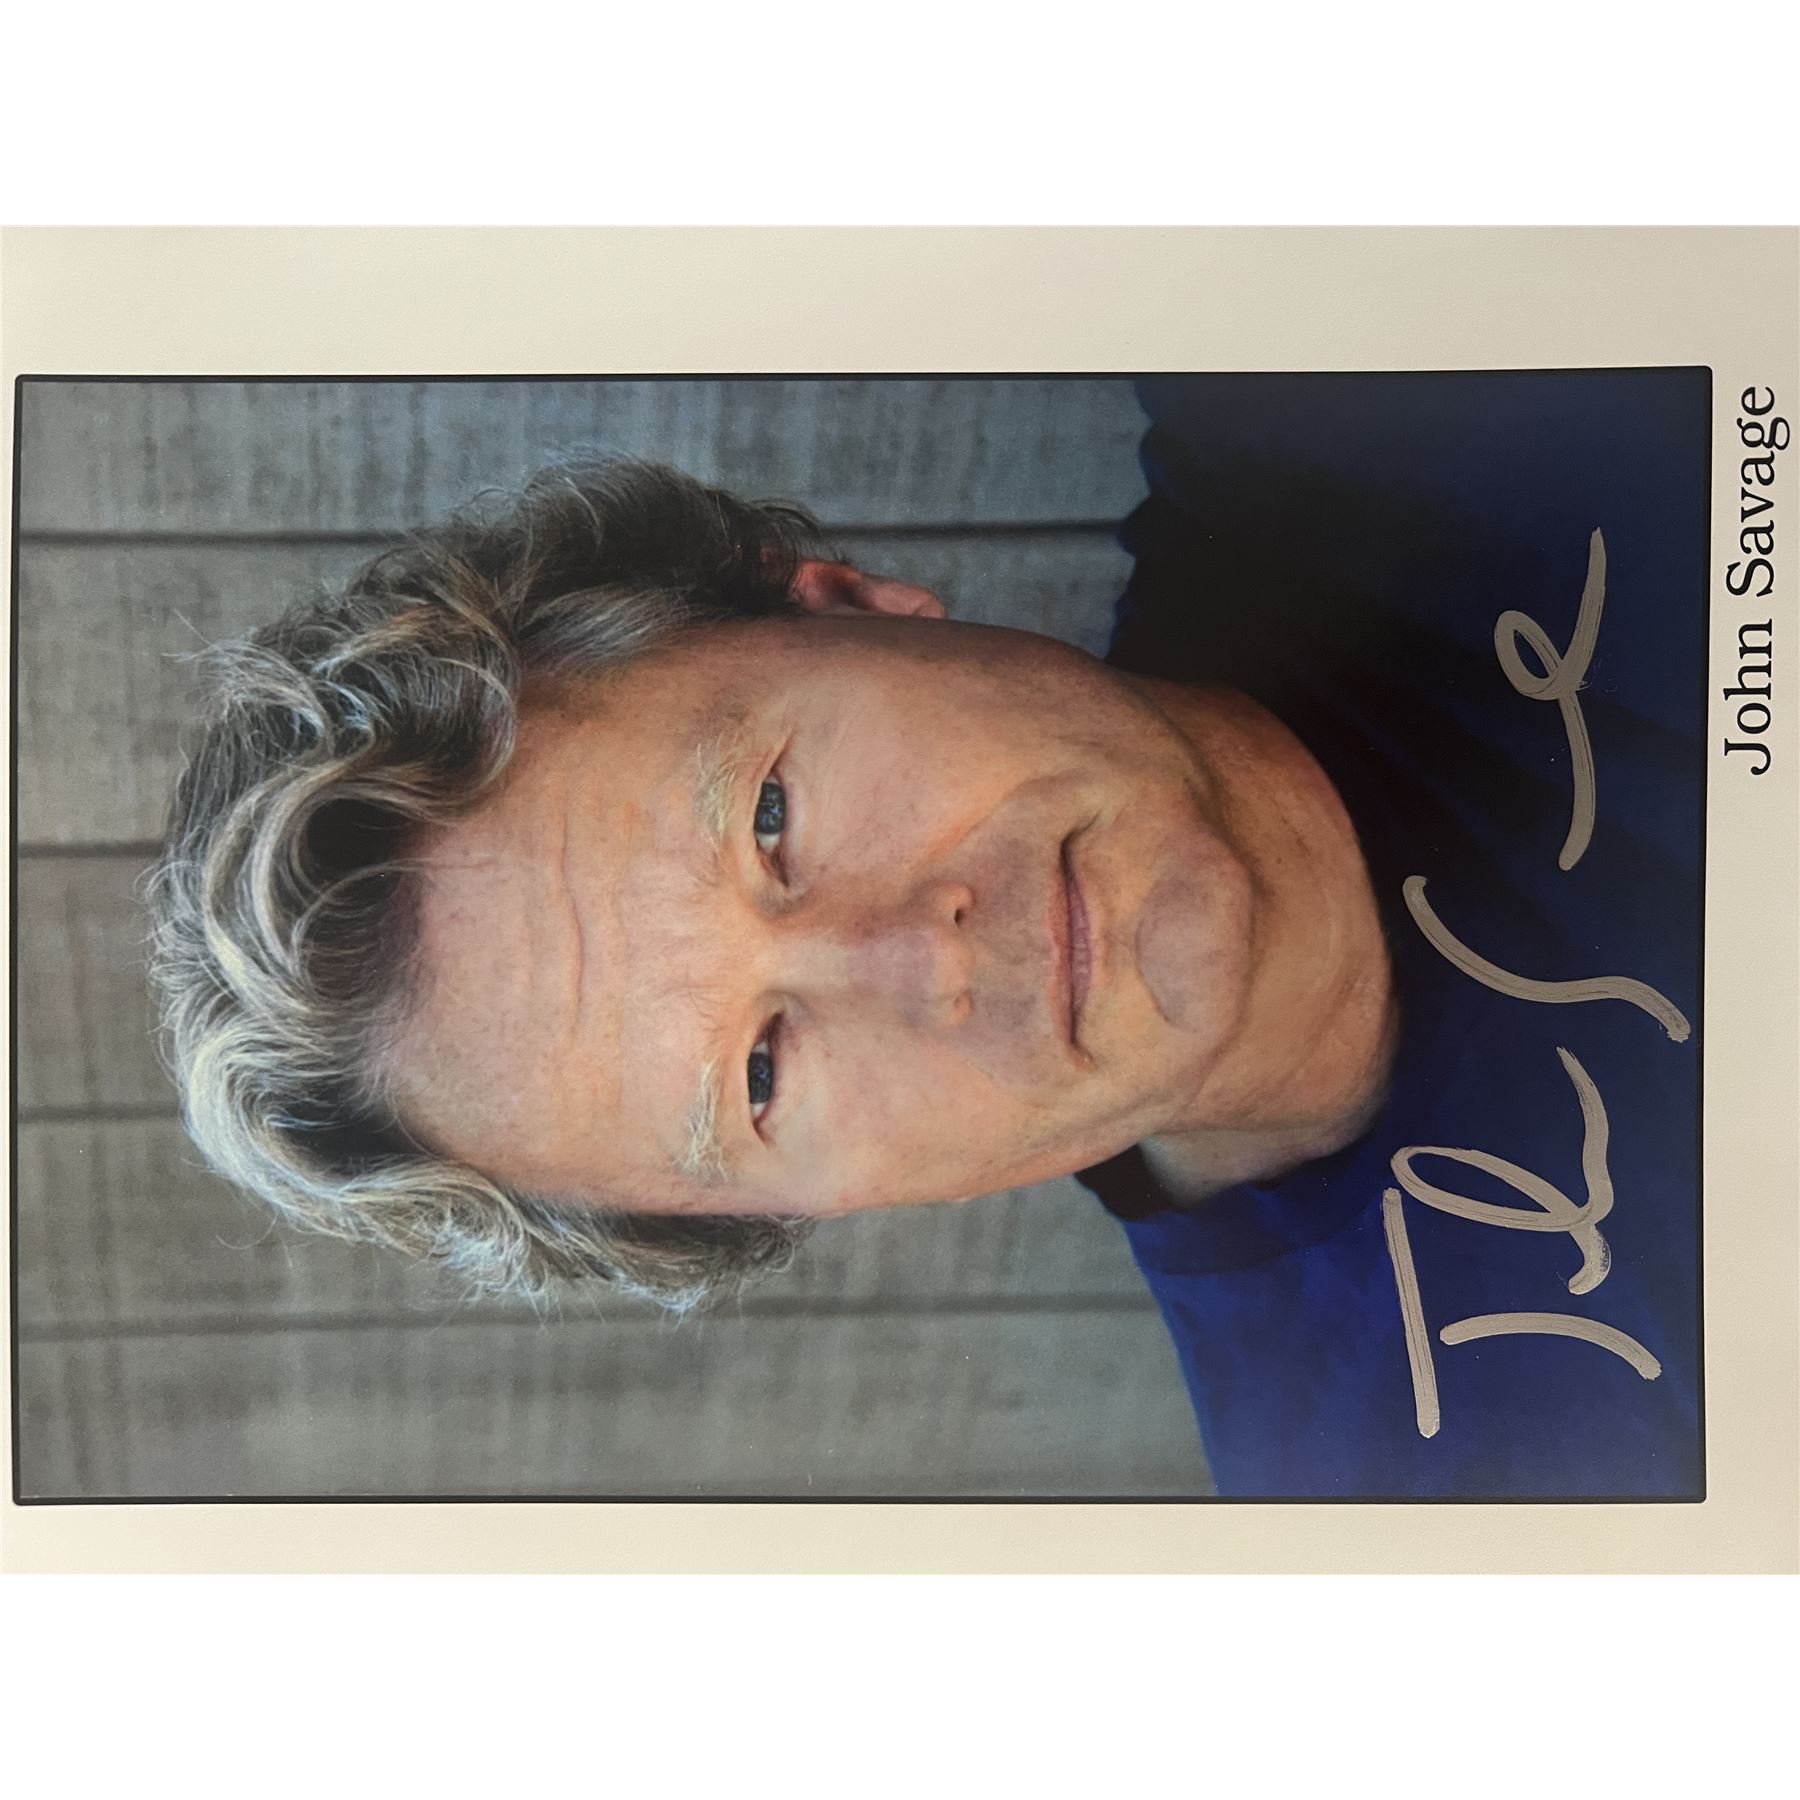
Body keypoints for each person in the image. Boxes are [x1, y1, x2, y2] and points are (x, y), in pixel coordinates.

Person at [149, 371, 1707, 1499]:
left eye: (770, 817)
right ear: (818, 1210)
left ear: (844, 603)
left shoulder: (1386, 362)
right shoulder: (1453, 1529)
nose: (917, 961)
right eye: (761, 1076)